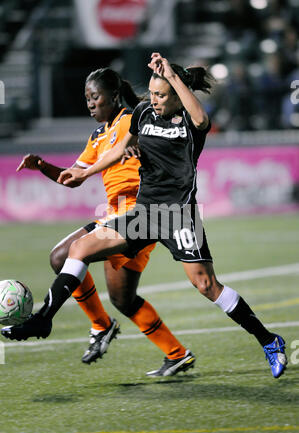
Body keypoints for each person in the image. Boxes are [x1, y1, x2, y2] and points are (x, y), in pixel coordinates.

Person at [2, 53, 287, 379]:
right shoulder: (142, 113)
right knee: (78, 250)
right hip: (143, 213)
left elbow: (199, 116)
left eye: (161, 95)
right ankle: (44, 318)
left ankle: (269, 341)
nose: (153, 100)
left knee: (206, 285)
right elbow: (120, 149)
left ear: (178, 95)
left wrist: (173, 77)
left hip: (178, 215)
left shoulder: (193, 125)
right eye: (152, 93)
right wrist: (86, 172)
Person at [10, 67, 194, 376]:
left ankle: (90, 324)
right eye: (86, 99)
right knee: (122, 298)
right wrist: (42, 166)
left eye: (95, 97)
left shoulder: (132, 120)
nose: (90, 104)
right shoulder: (97, 135)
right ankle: (177, 354)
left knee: (62, 256)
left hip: (141, 213)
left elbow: (160, 134)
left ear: (112, 96)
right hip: (115, 215)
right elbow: (73, 178)